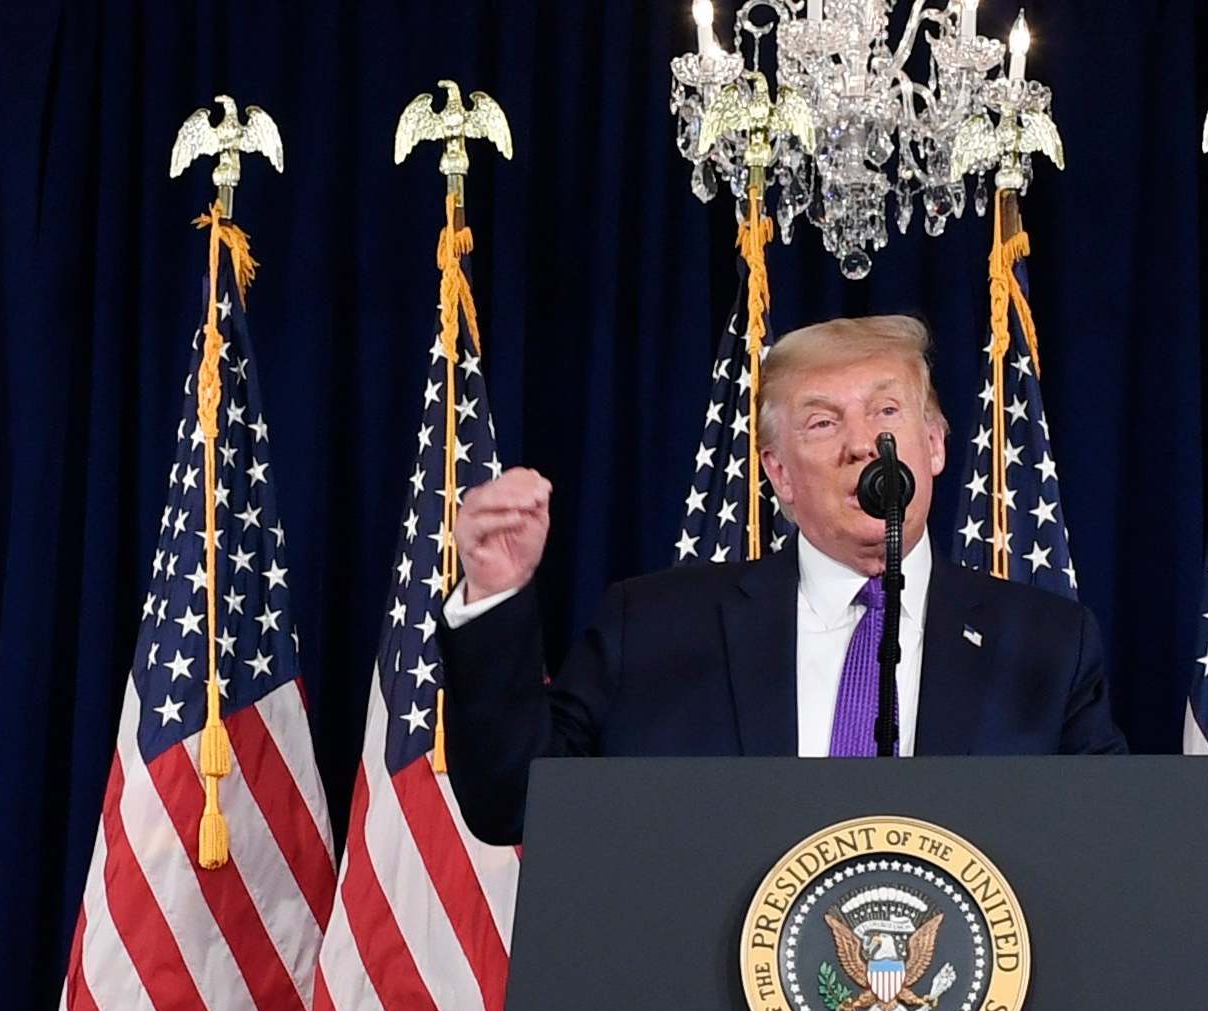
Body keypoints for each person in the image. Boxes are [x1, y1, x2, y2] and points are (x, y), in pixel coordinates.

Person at [439, 314, 1126, 845]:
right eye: (824, 422)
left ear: (935, 446)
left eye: (886, 412)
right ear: (779, 475)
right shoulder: (655, 628)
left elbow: (1106, 843)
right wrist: (495, 597)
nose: (863, 444)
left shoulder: (1044, 644)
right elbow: (512, 803)